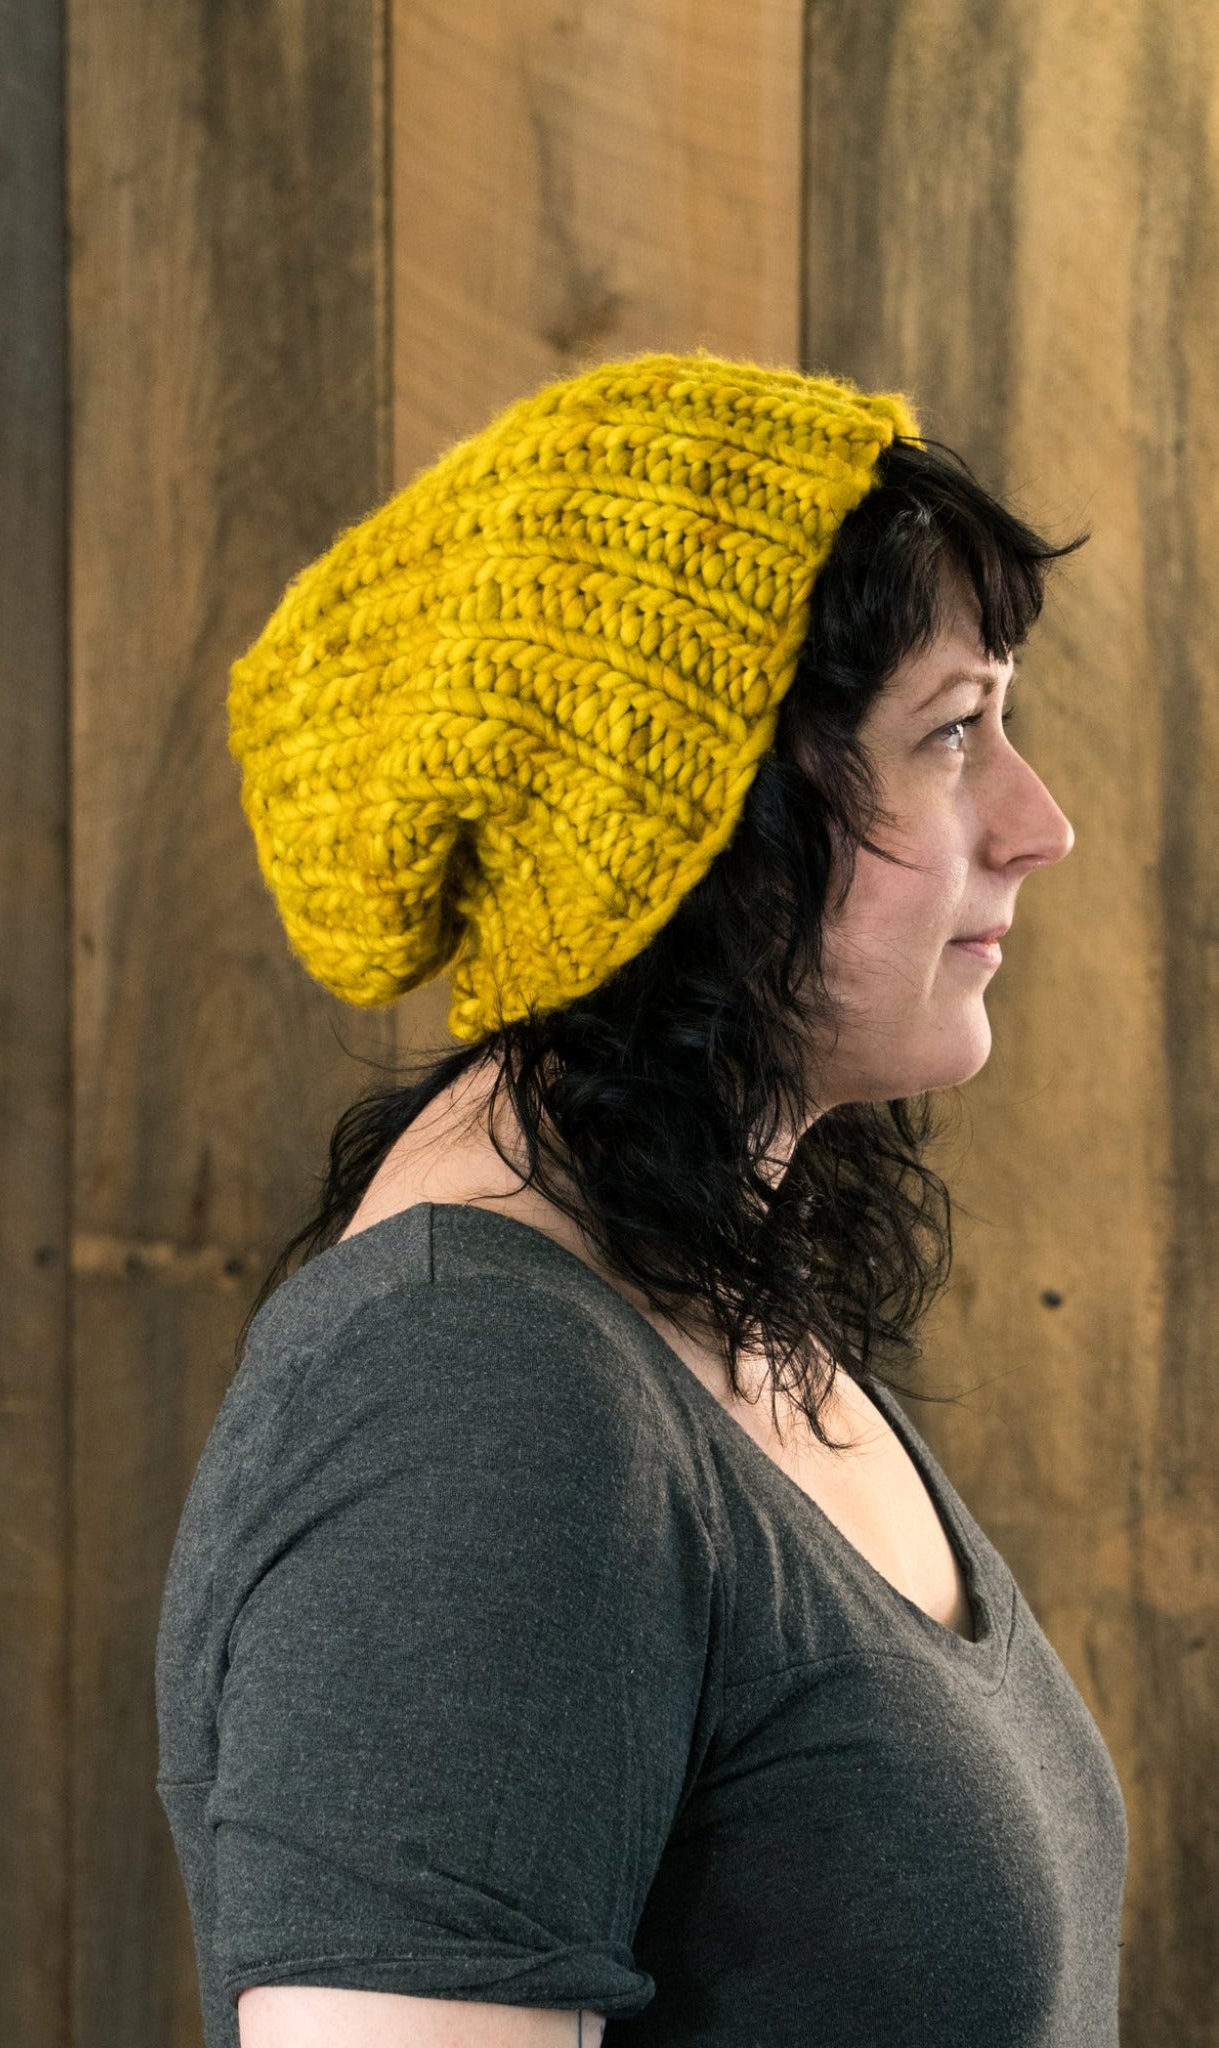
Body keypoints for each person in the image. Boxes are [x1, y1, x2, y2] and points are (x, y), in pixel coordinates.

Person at [155, 351, 1129, 2047]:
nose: (1037, 824)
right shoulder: (465, 1404)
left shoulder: (712, 1313)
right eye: (952, 734)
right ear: (701, 833)